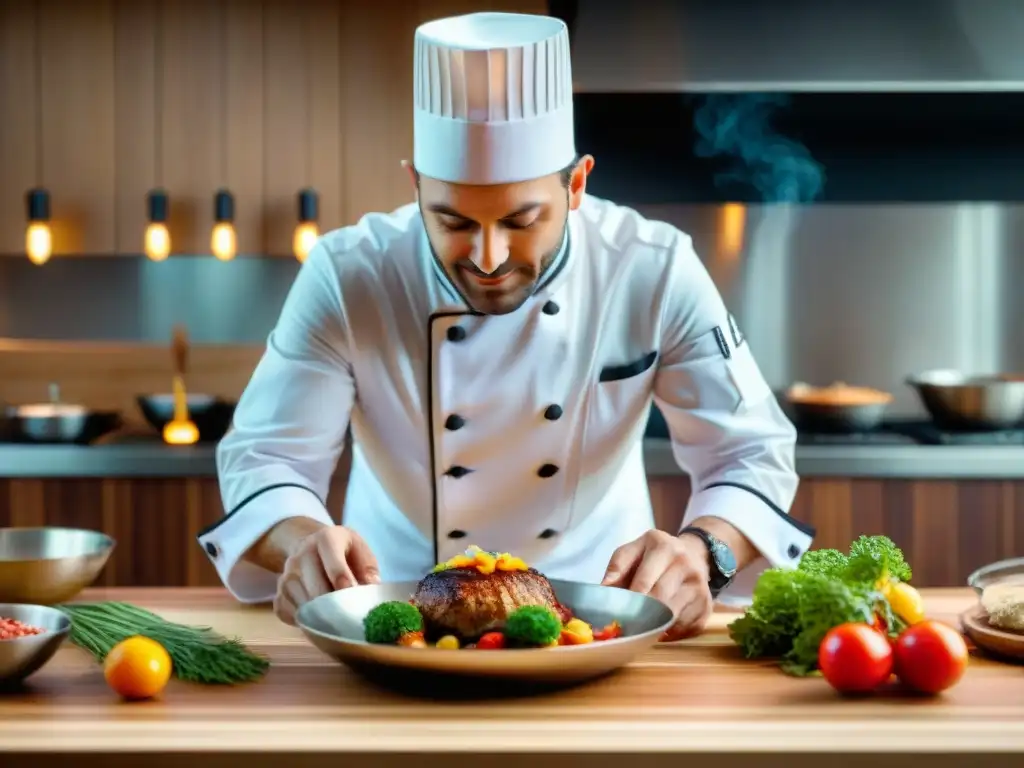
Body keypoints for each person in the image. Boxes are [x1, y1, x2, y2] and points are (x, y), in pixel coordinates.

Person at [197, 11, 815, 639]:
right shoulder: (348, 274)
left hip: (601, 615)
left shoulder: (652, 268)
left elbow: (749, 452)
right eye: (454, 222)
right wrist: (302, 544)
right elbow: (269, 457)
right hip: (391, 617)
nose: (488, 258)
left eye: (521, 222)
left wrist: (703, 553)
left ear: (576, 185)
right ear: (414, 187)